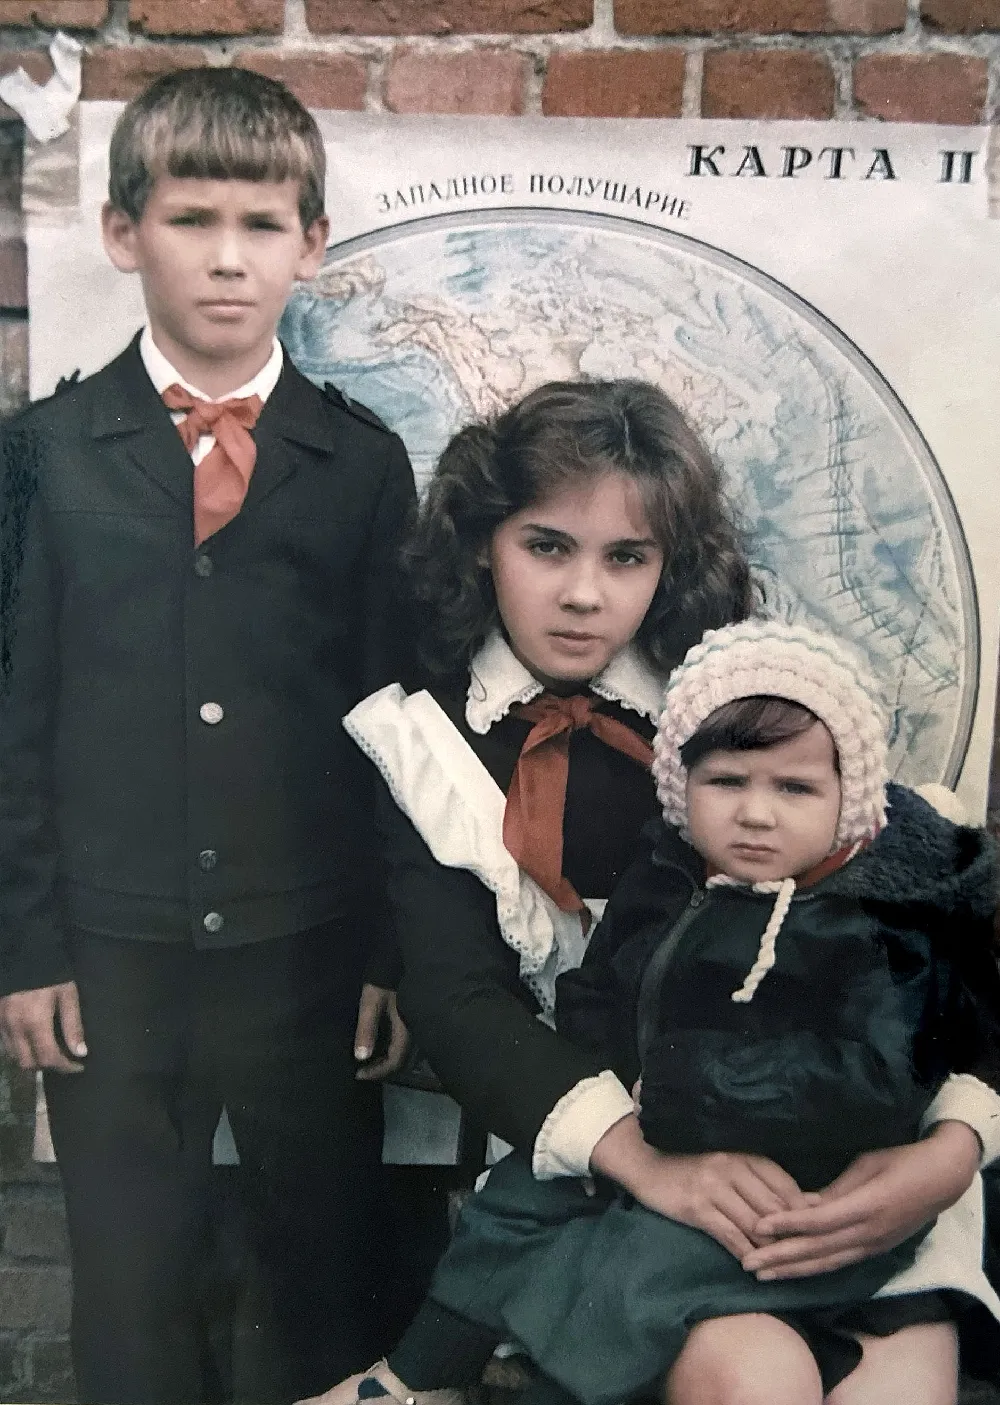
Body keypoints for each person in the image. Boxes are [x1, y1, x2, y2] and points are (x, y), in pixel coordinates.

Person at [303, 381, 1000, 1405]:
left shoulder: (737, 702)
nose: (585, 594)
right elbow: (461, 1001)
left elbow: (934, 925)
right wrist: (647, 1161)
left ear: (669, 564)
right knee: (752, 1381)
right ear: (483, 544)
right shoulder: (426, 743)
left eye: (627, 557)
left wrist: (951, 1148)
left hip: (855, 1155)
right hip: (608, 1144)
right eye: (547, 547)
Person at [0, 68, 414, 1405]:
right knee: (132, 1287)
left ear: (311, 244)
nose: (227, 258)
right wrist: (27, 947)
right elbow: (13, 716)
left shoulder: (361, 464)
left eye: (260, 223)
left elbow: (396, 729)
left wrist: (387, 955)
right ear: (124, 233)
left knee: (324, 1279)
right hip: (112, 964)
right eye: (191, 219)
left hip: (308, 956)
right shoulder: (45, 453)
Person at [401, 618, 1000, 1405]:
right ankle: (420, 1373)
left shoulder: (877, 920)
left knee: (663, 1275)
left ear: (848, 797)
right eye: (726, 782)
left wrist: (684, 1081)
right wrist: (613, 1069)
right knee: (515, 1206)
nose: (756, 813)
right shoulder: (670, 873)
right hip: (682, 1156)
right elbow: (603, 989)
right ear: (683, 783)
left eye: (794, 788)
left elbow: (879, 1077)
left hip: (818, 1188)